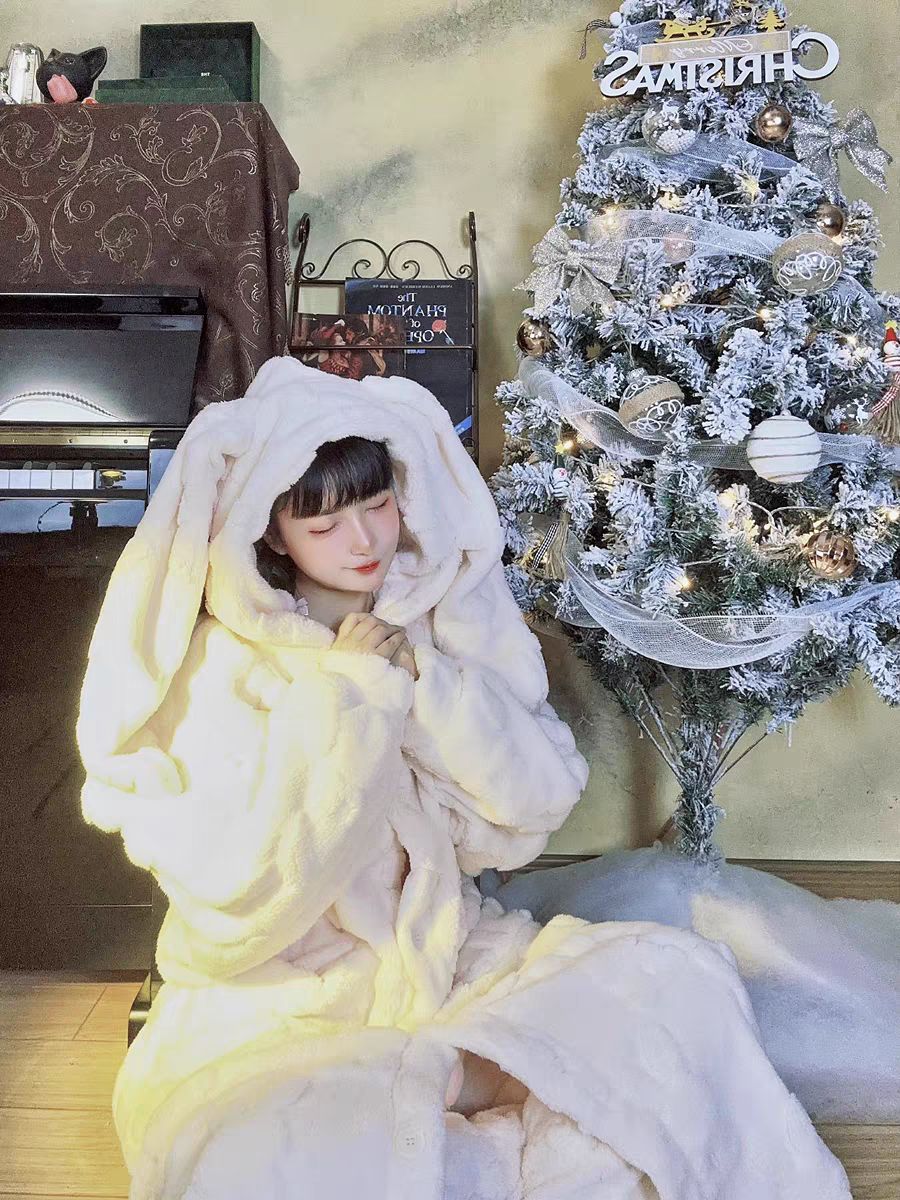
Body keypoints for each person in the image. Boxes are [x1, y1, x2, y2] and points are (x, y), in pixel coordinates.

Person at [77, 357, 850, 1199]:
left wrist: (429, 691)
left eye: (377, 505)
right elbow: (240, 904)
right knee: (276, 1156)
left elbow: (525, 816)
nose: (365, 542)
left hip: (447, 958)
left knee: (675, 985)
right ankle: (446, 1087)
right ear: (271, 533)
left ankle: (458, 1079)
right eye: (326, 523)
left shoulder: (423, 639)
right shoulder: (223, 668)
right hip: (289, 996)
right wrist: (351, 700)